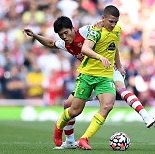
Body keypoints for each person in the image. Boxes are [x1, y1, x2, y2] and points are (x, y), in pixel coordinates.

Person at [23, 14, 155, 149]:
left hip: (108, 69)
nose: (64, 37)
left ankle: (145, 116)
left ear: (72, 28)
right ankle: (69, 140)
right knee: (68, 105)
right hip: (90, 75)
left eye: (66, 33)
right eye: (61, 35)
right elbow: (50, 43)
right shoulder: (65, 44)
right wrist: (35, 36)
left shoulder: (85, 31)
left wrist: (119, 65)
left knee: (120, 90)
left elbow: (111, 41)